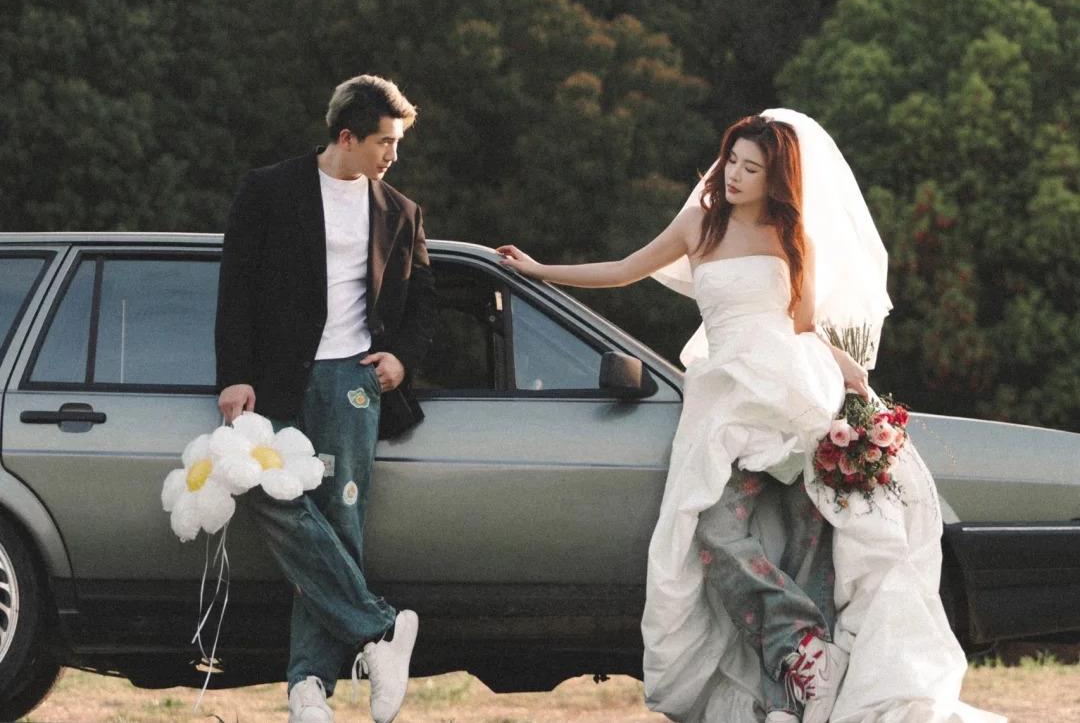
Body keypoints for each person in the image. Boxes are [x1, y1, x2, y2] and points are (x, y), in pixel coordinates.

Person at [498, 110, 1004, 723]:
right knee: (714, 528)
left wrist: (848, 371)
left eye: (751, 168)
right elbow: (623, 270)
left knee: (812, 538)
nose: (733, 175)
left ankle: (797, 691)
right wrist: (538, 270)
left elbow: (803, 326)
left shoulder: (793, 237)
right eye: (730, 161)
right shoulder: (698, 224)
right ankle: (803, 647)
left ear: (776, 177)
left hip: (797, 387)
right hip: (727, 392)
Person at [216, 74, 436, 723]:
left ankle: (308, 689)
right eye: (384, 142)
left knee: (340, 522)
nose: (393, 154)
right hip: (275, 379)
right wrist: (234, 374)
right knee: (263, 489)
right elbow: (236, 286)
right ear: (346, 136)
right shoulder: (268, 190)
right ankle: (380, 629)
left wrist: (401, 358)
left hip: (352, 382)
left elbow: (424, 301)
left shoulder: (401, 211)